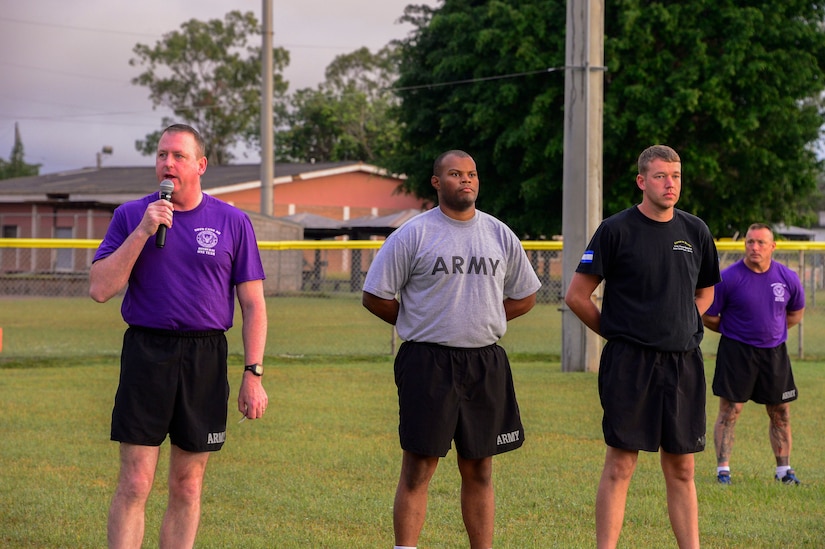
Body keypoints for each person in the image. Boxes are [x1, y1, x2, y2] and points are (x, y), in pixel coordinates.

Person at [89, 124, 268, 549]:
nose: (168, 163)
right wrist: (143, 233)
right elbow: (99, 289)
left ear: (201, 165)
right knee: (135, 482)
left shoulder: (233, 221)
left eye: (179, 156)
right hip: (147, 352)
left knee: (187, 485)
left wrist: (253, 372)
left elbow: (254, 305)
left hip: (205, 356)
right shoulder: (132, 215)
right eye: (161, 154)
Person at [362, 150, 541, 549]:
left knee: (479, 468)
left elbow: (526, 295)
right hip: (428, 362)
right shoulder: (414, 233)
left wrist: (485, 317)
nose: (466, 180)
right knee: (419, 467)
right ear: (436, 182)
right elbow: (375, 296)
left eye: (472, 174)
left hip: (484, 360)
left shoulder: (498, 233)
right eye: (456, 173)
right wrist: (419, 321)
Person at [564, 145, 720, 549]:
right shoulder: (616, 230)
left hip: (683, 363)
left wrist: (687, 318)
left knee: (682, 467)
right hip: (630, 364)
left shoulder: (695, 231)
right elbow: (577, 296)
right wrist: (618, 333)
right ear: (641, 181)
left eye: (676, 176)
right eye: (660, 176)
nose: (671, 184)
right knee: (621, 464)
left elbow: (706, 293)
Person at [702, 223, 805, 486]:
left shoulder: (787, 277)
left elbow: (795, 313)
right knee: (730, 410)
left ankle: (784, 471)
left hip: (774, 353)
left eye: (760, 242)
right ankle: (722, 470)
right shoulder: (729, 278)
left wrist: (772, 332)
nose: (754, 247)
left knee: (780, 410)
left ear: (773, 246)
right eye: (750, 242)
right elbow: (709, 315)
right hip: (737, 352)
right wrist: (734, 330)